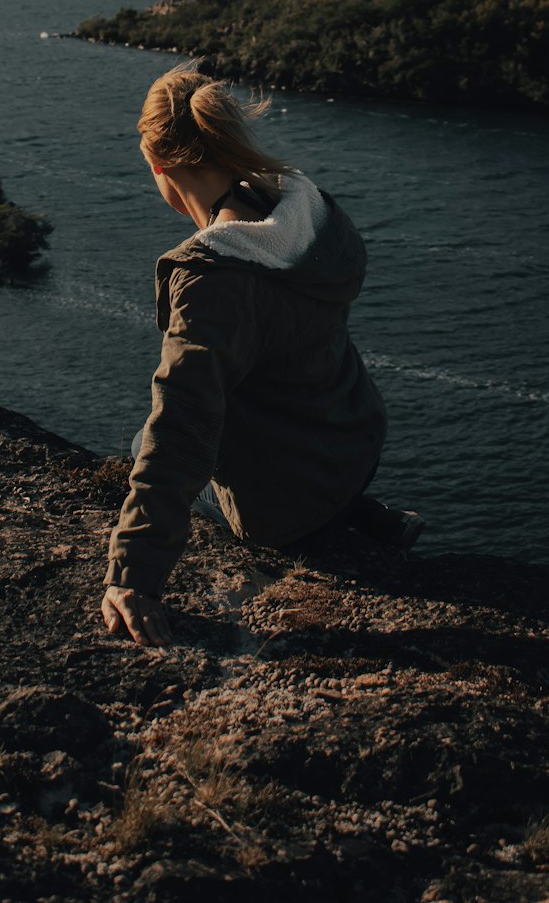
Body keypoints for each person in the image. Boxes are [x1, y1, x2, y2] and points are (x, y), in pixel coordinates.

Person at [101, 62, 419, 648]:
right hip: (354, 445)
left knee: (141, 446)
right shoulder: (307, 210)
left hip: (283, 506)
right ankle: (359, 516)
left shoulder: (213, 279)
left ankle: (321, 525)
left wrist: (133, 575)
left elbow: (182, 427)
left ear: (160, 167)